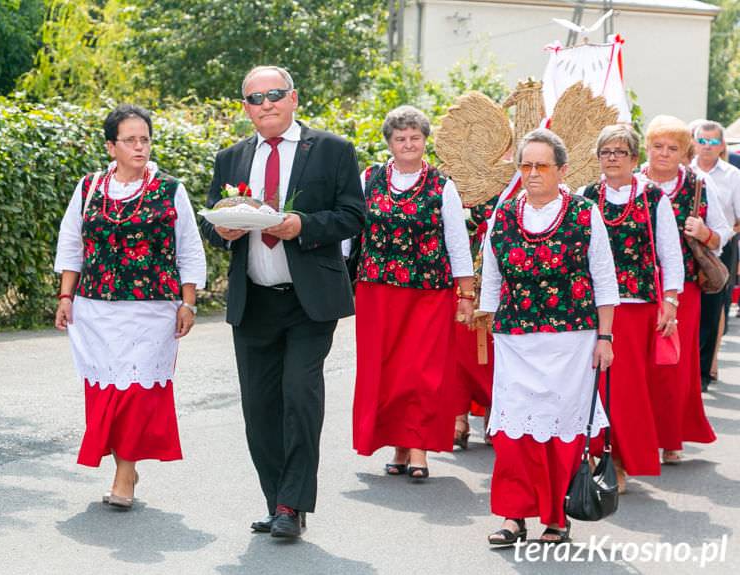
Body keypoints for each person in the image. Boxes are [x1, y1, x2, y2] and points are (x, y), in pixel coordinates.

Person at [201, 66, 364, 538]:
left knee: (299, 397)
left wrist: (302, 226)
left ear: (294, 98)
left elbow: (354, 215)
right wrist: (223, 229)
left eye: (275, 94)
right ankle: (276, 500)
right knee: (260, 408)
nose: (266, 104)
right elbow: (214, 221)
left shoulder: (332, 150)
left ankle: (292, 505)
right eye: (255, 98)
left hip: (309, 301)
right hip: (253, 302)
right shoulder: (230, 158)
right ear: (246, 108)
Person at [53, 104, 207, 509]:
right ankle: (125, 464)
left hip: (152, 307)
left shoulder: (170, 189)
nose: (140, 147)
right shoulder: (88, 188)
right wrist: (66, 296)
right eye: (130, 140)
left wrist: (188, 302)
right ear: (111, 146)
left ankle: (125, 475)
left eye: (145, 139)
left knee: (137, 392)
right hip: (95, 307)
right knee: (107, 391)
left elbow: (188, 247)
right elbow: (72, 243)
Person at [480, 128, 619, 545]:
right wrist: (487, 326)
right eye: (525, 165)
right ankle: (512, 514)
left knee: (562, 431)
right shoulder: (502, 215)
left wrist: (605, 337)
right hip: (515, 338)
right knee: (512, 431)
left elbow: (605, 279)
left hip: (571, 339)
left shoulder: (582, 212)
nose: (533, 173)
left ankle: (556, 517)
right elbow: (491, 276)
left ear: (562, 169)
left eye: (542, 165)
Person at [348, 105, 474, 480]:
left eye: (415, 138)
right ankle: (397, 445)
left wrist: (465, 294)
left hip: (428, 293)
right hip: (377, 291)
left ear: (424, 141)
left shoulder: (442, 185)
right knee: (384, 371)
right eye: (400, 138)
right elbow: (348, 233)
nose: (408, 144)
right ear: (389, 142)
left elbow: (457, 241)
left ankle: (417, 446)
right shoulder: (368, 177)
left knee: (421, 372)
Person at [578, 124, 683, 492]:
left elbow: (670, 254)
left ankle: (620, 459)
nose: (612, 158)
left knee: (626, 389)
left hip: (636, 307)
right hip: (592, 307)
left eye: (620, 151)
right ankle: (594, 455)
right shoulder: (585, 195)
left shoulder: (653, 198)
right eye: (605, 151)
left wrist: (670, 301)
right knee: (594, 385)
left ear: (634, 158)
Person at [641, 115, 727, 463]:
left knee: (674, 364)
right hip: (640, 288)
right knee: (641, 364)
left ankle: (671, 437)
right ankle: (639, 435)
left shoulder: (698, 185)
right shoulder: (631, 182)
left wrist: (703, 231)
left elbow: (721, 237)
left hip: (684, 288)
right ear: (646, 148)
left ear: (684, 152)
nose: (663, 153)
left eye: (672, 148)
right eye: (657, 146)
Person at [690, 121, 740, 387]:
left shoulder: (733, 175)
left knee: (713, 308)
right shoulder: (687, 172)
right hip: (688, 244)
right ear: (694, 142)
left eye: (712, 142)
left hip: (722, 245)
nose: (706, 147)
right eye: (702, 141)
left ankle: (704, 371)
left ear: (721, 145)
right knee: (690, 307)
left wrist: (725, 235)